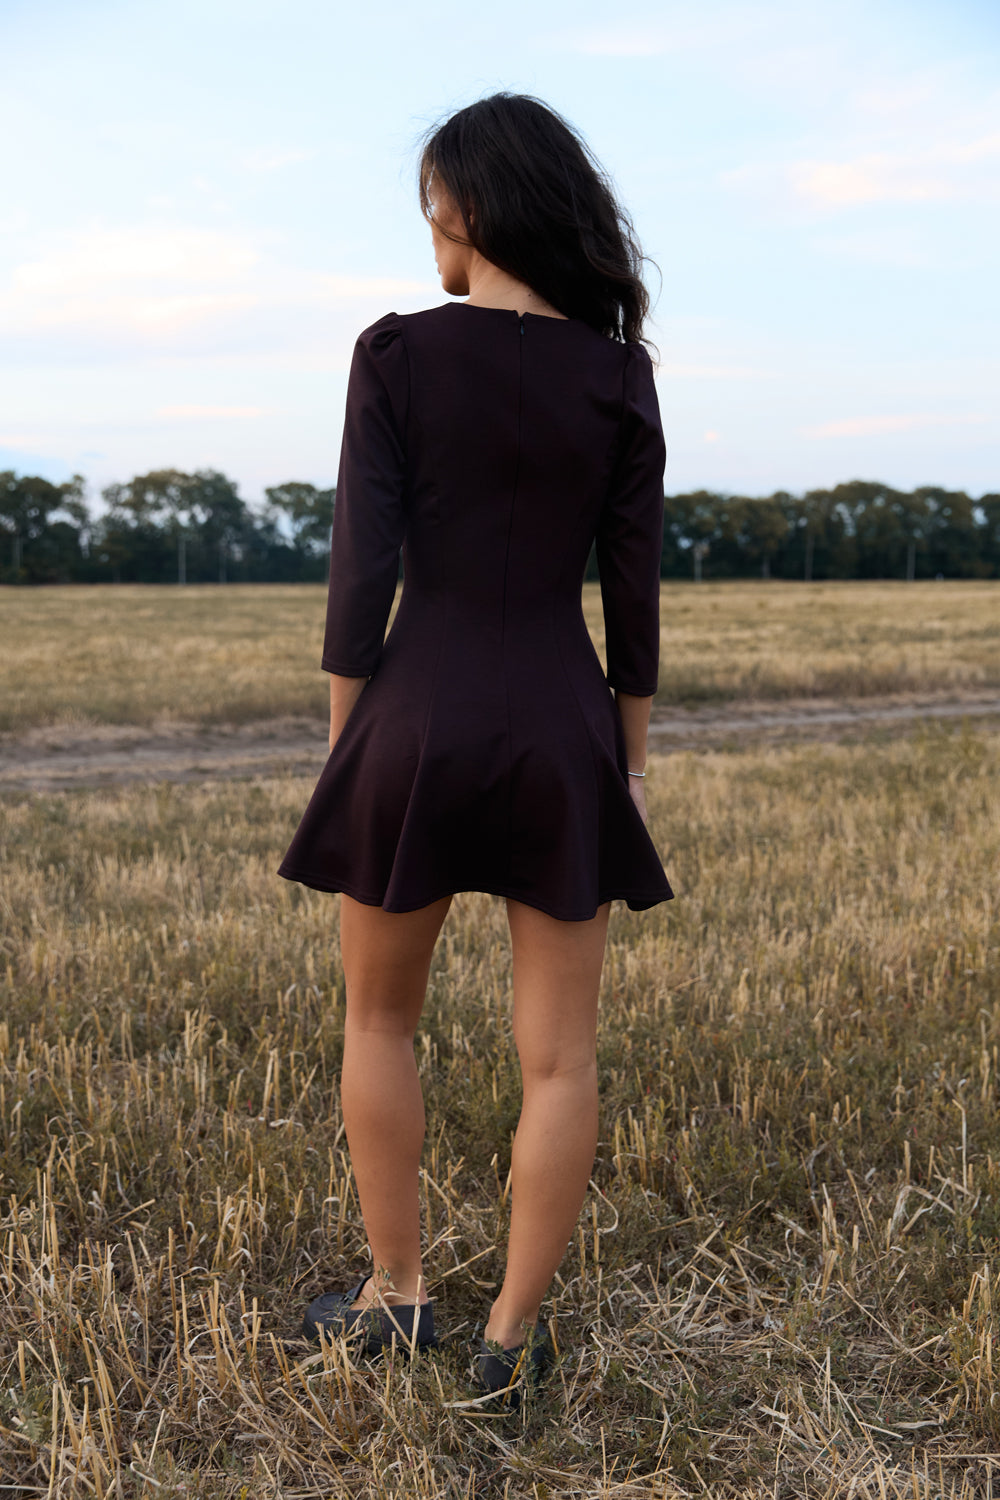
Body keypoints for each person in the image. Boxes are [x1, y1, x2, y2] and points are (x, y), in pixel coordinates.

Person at [277, 91, 673, 1402]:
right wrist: (619, 761)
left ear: (461, 207)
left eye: (428, 208)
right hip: (561, 716)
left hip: (416, 714)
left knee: (378, 1017)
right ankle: (508, 1339)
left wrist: (351, 750)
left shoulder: (394, 352)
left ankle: (397, 1295)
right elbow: (633, 598)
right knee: (561, 1056)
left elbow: (359, 579)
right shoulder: (619, 376)